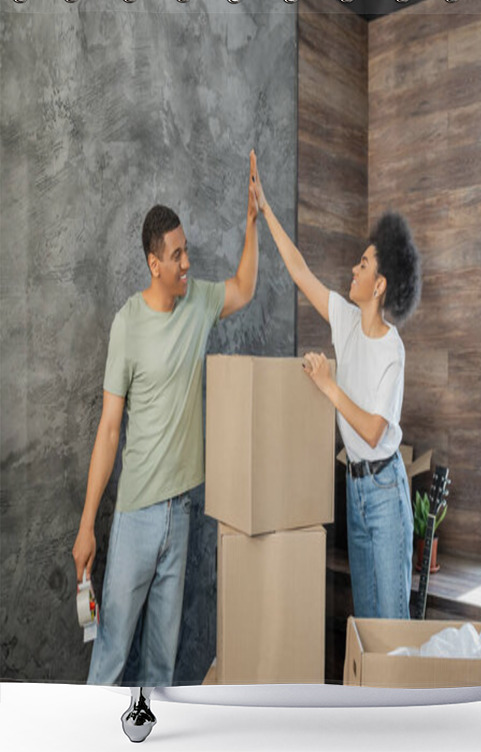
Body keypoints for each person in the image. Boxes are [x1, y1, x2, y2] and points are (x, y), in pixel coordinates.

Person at [71, 150, 262, 687]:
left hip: (181, 516)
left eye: (187, 252)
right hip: (136, 518)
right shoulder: (126, 326)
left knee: (160, 668)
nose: (187, 264)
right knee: (109, 661)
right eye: (177, 256)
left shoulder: (198, 302)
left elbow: (244, 288)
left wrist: (252, 222)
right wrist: (88, 527)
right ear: (155, 264)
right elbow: (110, 431)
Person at [252, 160, 421, 619]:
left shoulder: (392, 349)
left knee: (390, 631)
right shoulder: (345, 320)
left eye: (363, 264)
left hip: (386, 494)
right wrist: (265, 210)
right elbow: (300, 271)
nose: (354, 267)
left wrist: (327, 385)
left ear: (379, 284)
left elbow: (370, 431)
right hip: (356, 491)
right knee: (367, 628)